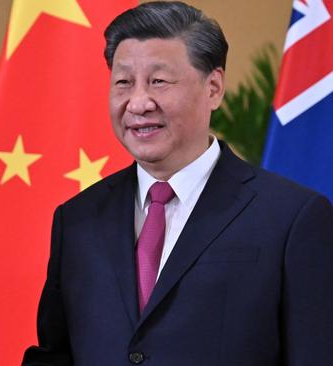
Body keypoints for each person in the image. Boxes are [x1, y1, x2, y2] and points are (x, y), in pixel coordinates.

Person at [23, 2, 333, 365]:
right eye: (123, 82)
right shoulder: (77, 220)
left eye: (158, 81)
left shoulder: (292, 218)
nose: (138, 102)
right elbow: (57, 355)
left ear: (213, 88)